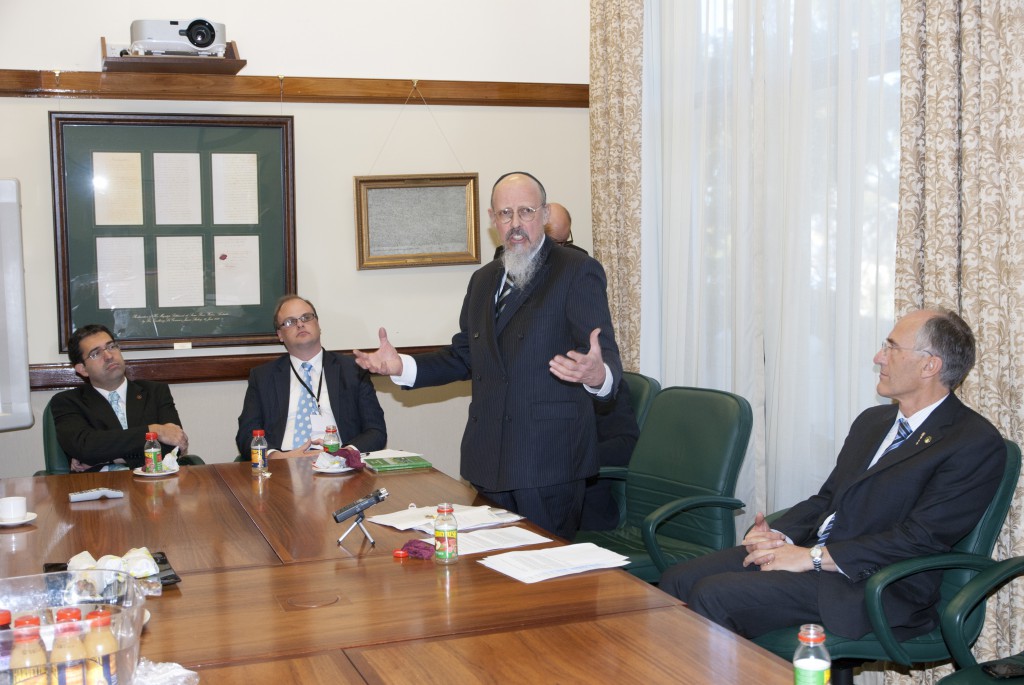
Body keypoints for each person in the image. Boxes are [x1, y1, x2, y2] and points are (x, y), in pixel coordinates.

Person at [659, 308, 1006, 641]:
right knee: (677, 580)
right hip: (817, 558)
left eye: (891, 348)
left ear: (930, 365)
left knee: (714, 594)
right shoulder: (873, 422)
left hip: (873, 584)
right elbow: (827, 500)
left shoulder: (972, 442)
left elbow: (919, 539)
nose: (878, 357)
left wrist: (810, 559)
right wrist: (780, 535)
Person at [354, 171, 624, 539]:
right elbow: (466, 355)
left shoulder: (576, 270)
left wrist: (597, 376)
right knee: (489, 578)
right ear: (492, 219)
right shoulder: (483, 280)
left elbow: (604, 358)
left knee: (544, 582)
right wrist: (402, 365)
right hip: (489, 460)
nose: (515, 224)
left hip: (549, 463)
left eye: (526, 211)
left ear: (544, 215)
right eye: (505, 213)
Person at [235, 295, 386, 459]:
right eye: (290, 322)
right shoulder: (263, 377)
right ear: (280, 334)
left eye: (306, 317)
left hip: (340, 463)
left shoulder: (353, 370)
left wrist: (344, 454)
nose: (300, 324)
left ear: (318, 324)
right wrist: (275, 457)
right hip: (282, 466)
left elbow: (376, 431)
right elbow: (246, 435)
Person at [51, 324, 189, 472]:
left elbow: (173, 447)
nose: (109, 356)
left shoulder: (155, 392)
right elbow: (85, 447)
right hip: (97, 489)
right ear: (82, 369)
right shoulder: (68, 402)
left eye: (111, 347)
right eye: (95, 353)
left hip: (155, 485)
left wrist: (106, 458)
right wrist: (154, 431)